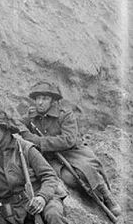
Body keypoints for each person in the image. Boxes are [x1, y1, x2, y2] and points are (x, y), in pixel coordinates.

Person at [20, 81, 121, 216]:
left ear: (53, 101)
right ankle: (88, 196)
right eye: (38, 98)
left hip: (73, 152)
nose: (40, 102)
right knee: (69, 179)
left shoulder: (65, 114)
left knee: (86, 169)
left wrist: (39, 141)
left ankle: (106, 195)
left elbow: (68, 140)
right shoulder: (32, 115)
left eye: (45, 99)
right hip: (52, 157)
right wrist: (25, 133)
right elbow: (17, 124)